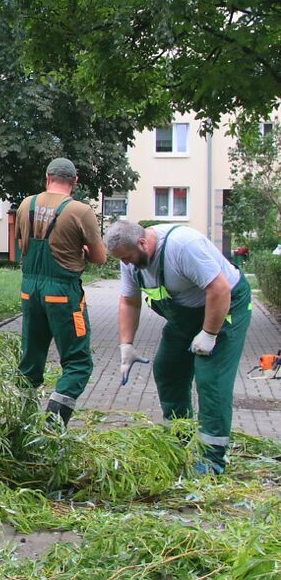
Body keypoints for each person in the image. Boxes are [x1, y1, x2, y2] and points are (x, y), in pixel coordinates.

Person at [104, 219, 252, 475]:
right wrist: (126, 345)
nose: (126, 264)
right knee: (167, 369)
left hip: (225, 308)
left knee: (211, 378)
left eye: (128, 258)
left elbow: (219, 289)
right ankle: (179, 441)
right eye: (122, 260)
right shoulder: (130, 258)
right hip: (185, 316)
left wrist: (208, 334)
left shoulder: (182, 246)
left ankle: (212, 459)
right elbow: (129, 301)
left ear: (142, 242)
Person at [15, 157, 108, 424]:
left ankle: (22, 421)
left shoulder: (25, 204)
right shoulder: (79, 210)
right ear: (74, 182)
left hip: (29, 290)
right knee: (78, 363)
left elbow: (23, 244)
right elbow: (100, 258)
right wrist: (84, 251)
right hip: (63, 294)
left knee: (30, 360)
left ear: (47, 178)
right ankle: (52, 427)